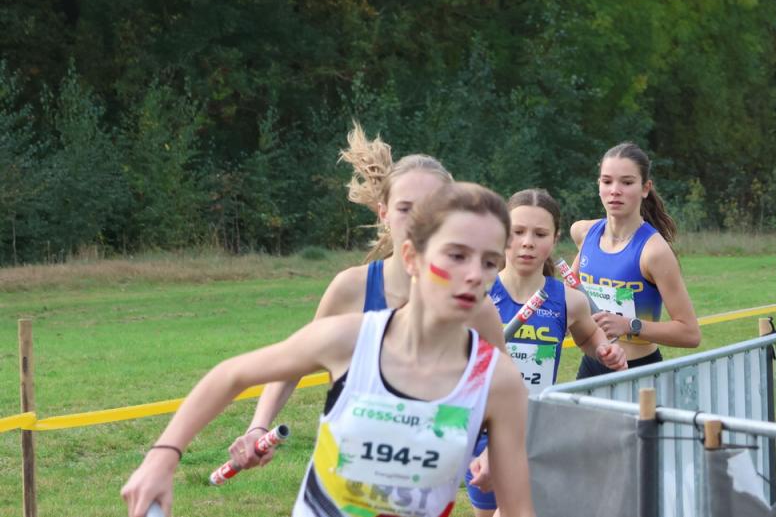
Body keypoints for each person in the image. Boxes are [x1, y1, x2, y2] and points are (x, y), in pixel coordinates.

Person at [121, 183, 536, 517]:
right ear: (411, 258)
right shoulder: (350, 340)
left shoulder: (498, 381)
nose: (474, 275)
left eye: (489, 262)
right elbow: (230, 375)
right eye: (457, 255)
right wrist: (161, 458)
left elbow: (517, 509)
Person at [227, 123, 505, 470]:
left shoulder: (475, 306)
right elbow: (291, 363)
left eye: (431, 209)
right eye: (405, 209)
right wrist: (258, 426)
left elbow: (503, 390)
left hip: (424, 480)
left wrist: (494, 450)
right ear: (384, 213)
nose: (418, 221)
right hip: (344, 477)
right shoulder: (351, 288)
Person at [466, 188, 628, 516]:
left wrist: (605, 351)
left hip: (532, 428)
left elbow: (590, 337)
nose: (527, 242)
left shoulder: (569, 300)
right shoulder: (476, 293)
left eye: (539, 234)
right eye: (518, 232)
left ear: (554, 239)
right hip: (478, 426)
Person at [570, 142, 701, 378]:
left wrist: (629, 325)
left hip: (639, 371)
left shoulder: (654, 252)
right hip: (592, 365)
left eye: (627, 182)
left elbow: (690, 334)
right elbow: (572, 292)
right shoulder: (583, 233)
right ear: (598, 185)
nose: (615, 190)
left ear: (645, 188)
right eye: (607, 181)